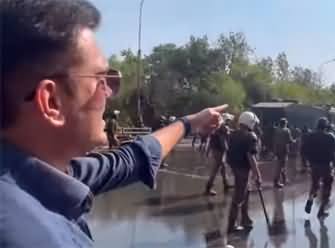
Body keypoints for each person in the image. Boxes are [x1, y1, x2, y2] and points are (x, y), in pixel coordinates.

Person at [0, 1, 227, 246]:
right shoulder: (32, 237)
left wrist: (190, 123)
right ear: (52, 101)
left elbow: (131, 159)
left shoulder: (41, 171)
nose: (109, 92)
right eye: (100, 80)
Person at [226, 111, 262, 233]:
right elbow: (251, 157)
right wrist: (258, 174)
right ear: (250, 123)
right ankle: (232, 225)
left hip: (235, 166)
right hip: (242, 168)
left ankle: (245, 219)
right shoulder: (251, 136)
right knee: (238, 197)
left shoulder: (233, 134)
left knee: (246, 192)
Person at [303, 117, 335, 218]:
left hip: (314, 165)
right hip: (326, 165)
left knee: (315, 184)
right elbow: (334, 153)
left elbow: (304, 149)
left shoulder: (310, 136)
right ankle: (321, 210)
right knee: (327, 187)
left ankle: (310, 199)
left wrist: (307, 162)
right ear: (326, 126)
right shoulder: (330, 137)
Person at [205, 114, 233, 195]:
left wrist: (208, 150)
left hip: (215, 148)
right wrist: (227, 150)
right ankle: (208, 188)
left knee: (223, 167)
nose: (230, 122)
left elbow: (212, 138)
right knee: (216, 168)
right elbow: (223, 140)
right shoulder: (223, 127)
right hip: (218, 150)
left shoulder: (218, 126)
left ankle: (225, 184)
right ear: (226, 120)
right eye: (228, 120)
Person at [273, 117, 295, 188]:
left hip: (277, 149)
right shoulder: (286, 130)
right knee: (281, 166)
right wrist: (294, 141)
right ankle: (276, 181)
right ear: (285, 124)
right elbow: (289, 140)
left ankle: (284, 179)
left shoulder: (276, 130)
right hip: (284, 150)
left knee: (280, 165)